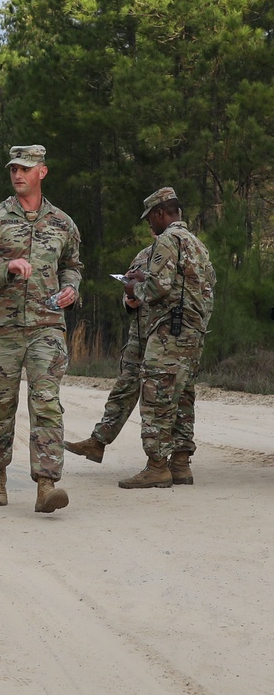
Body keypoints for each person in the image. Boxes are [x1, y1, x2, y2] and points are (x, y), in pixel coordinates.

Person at [0, 144, 83, 513]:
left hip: (47, 325)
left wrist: (71, 286)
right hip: (2, 329)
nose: (18, 174)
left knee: (46, 403)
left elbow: (73, 263)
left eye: (26, 168)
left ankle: (46, 485)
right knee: (0, 404)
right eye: (14, 168)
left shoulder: (62, 222)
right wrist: (3, 267)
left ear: (42, 171)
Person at [65, 245, 199, 471]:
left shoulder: (187, 252)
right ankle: (98, 441)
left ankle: (181, 458)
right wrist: (129, 300)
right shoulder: (144, 255)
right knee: (124, 386)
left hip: (171, 334)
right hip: (140, 331)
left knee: (179, 391)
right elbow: (129, 288)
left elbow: (190, 292)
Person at [117, 187, 215, 489]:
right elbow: (197, 286)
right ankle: (181, 464)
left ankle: (157, 465)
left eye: (150, 219)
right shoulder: (197, 245)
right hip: (193, 331)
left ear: (161, 214)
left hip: (169, 331)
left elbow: (158, 288)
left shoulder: (167, 241)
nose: (150, 225)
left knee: (156, 395)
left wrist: (134, 289)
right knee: (182, 394)